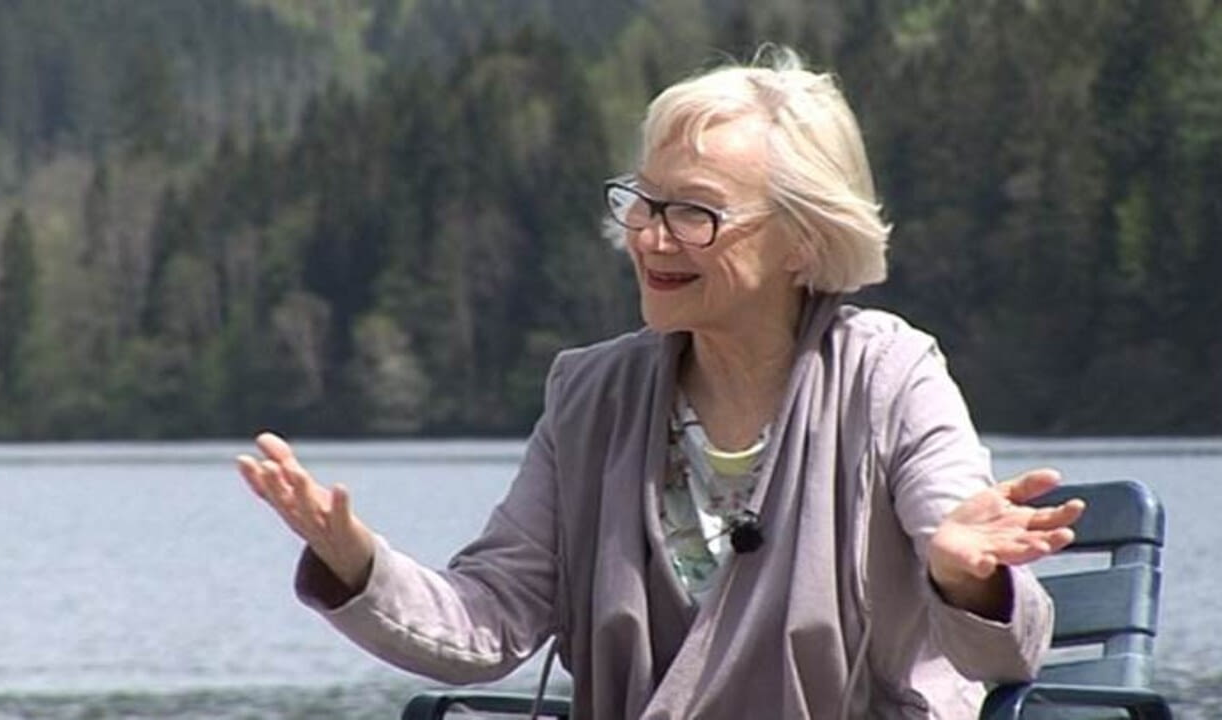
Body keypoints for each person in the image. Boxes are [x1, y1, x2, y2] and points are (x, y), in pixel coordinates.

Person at [236, 46, 1085, 719]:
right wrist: (356, 562)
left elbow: (1010, 650)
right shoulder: (590, 395)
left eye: (694, 212)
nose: (650, 236)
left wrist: (966, 578)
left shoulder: (889, 375)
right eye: (644, 202)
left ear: (803, 238)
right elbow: (488, 622)